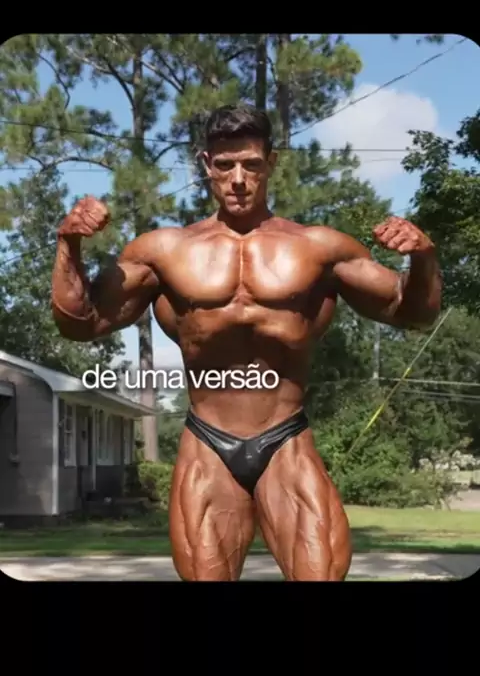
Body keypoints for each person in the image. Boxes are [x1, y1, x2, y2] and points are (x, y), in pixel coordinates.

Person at [51, 104, 442, 581]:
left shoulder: (319, 248)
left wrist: (423, 258)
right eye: (225, 165)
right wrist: (68, 245)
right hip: (207, 443)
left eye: (251, 165)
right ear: (205, 164)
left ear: (271, 163)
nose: (238, 179)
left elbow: (413, 313)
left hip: (285, 437)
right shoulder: (164, 252)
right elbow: (81, 323)